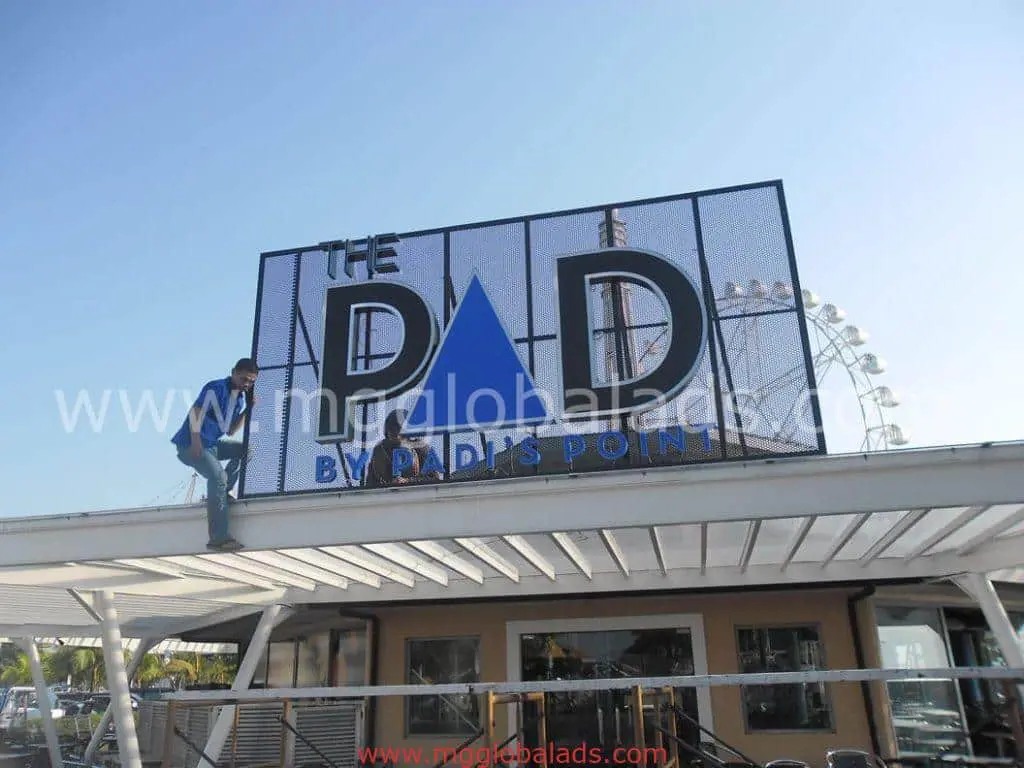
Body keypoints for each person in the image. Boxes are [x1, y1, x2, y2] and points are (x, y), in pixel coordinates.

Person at [171, 358, 258, 550]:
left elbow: (231, 431)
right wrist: (195, 442)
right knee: (218, 477)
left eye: (251, 381)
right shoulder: (216, 387)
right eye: (244, 379)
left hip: (211, 445)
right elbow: (196, 412)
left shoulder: (240, 399)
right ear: (234, 372)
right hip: (191, 445)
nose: (247, 384)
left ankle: (224, 492)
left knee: (246, 450)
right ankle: (218, 537)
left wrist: (248, 410)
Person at [365, 408, 441, 487]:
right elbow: (371, 480)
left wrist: (408, 481)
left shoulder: (420, 446)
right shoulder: (380, 449)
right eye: (393, 430)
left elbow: (434, 477)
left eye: (400, 429)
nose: (397, 435)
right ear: (387, 431)